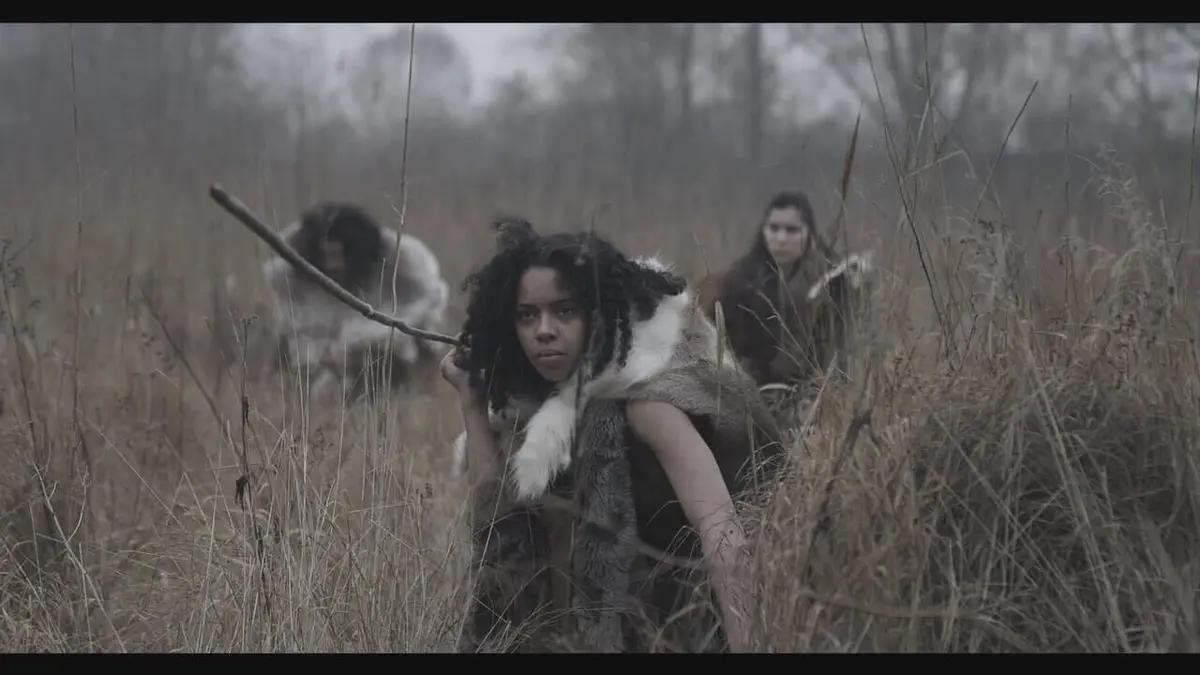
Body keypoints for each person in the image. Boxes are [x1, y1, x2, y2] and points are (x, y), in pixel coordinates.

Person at [441, 217, 788, 653]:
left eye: (564, 311)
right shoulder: (533, 412)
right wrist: (472, 404)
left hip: (669, 634)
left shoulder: (649, 402)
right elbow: (500, 532)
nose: (543, 329)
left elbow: (722, 533)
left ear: (597, 316)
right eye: (527, 315)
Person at [697, 190, 867, 419]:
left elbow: (841, 351)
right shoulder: (741, 281)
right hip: (749, 397)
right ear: (763, 231)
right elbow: (718, 344)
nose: (781, 238)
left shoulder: (830, 282)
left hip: (812, 400)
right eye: (774, 228)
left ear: (808, 233)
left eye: (792, 230)